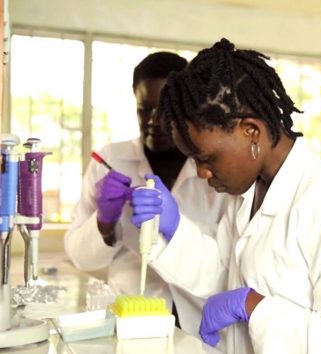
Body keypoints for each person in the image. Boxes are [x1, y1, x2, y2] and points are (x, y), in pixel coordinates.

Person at [130, 38, 321, 353]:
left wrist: (253, 306)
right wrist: (175, 231)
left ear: (251, 131)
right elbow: (226, 276)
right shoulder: (248, 194)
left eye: (206, 158)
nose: (201, 173)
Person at [64, 51, 229, 335]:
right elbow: (80, 258)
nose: (153, 120)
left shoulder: (214, 169)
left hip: (200, 320)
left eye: (164, 109)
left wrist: (177, 228)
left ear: (187, 106)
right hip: (127, 316)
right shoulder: (110, 161)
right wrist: (104, 223)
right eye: (144, 108)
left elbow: (227, 258)